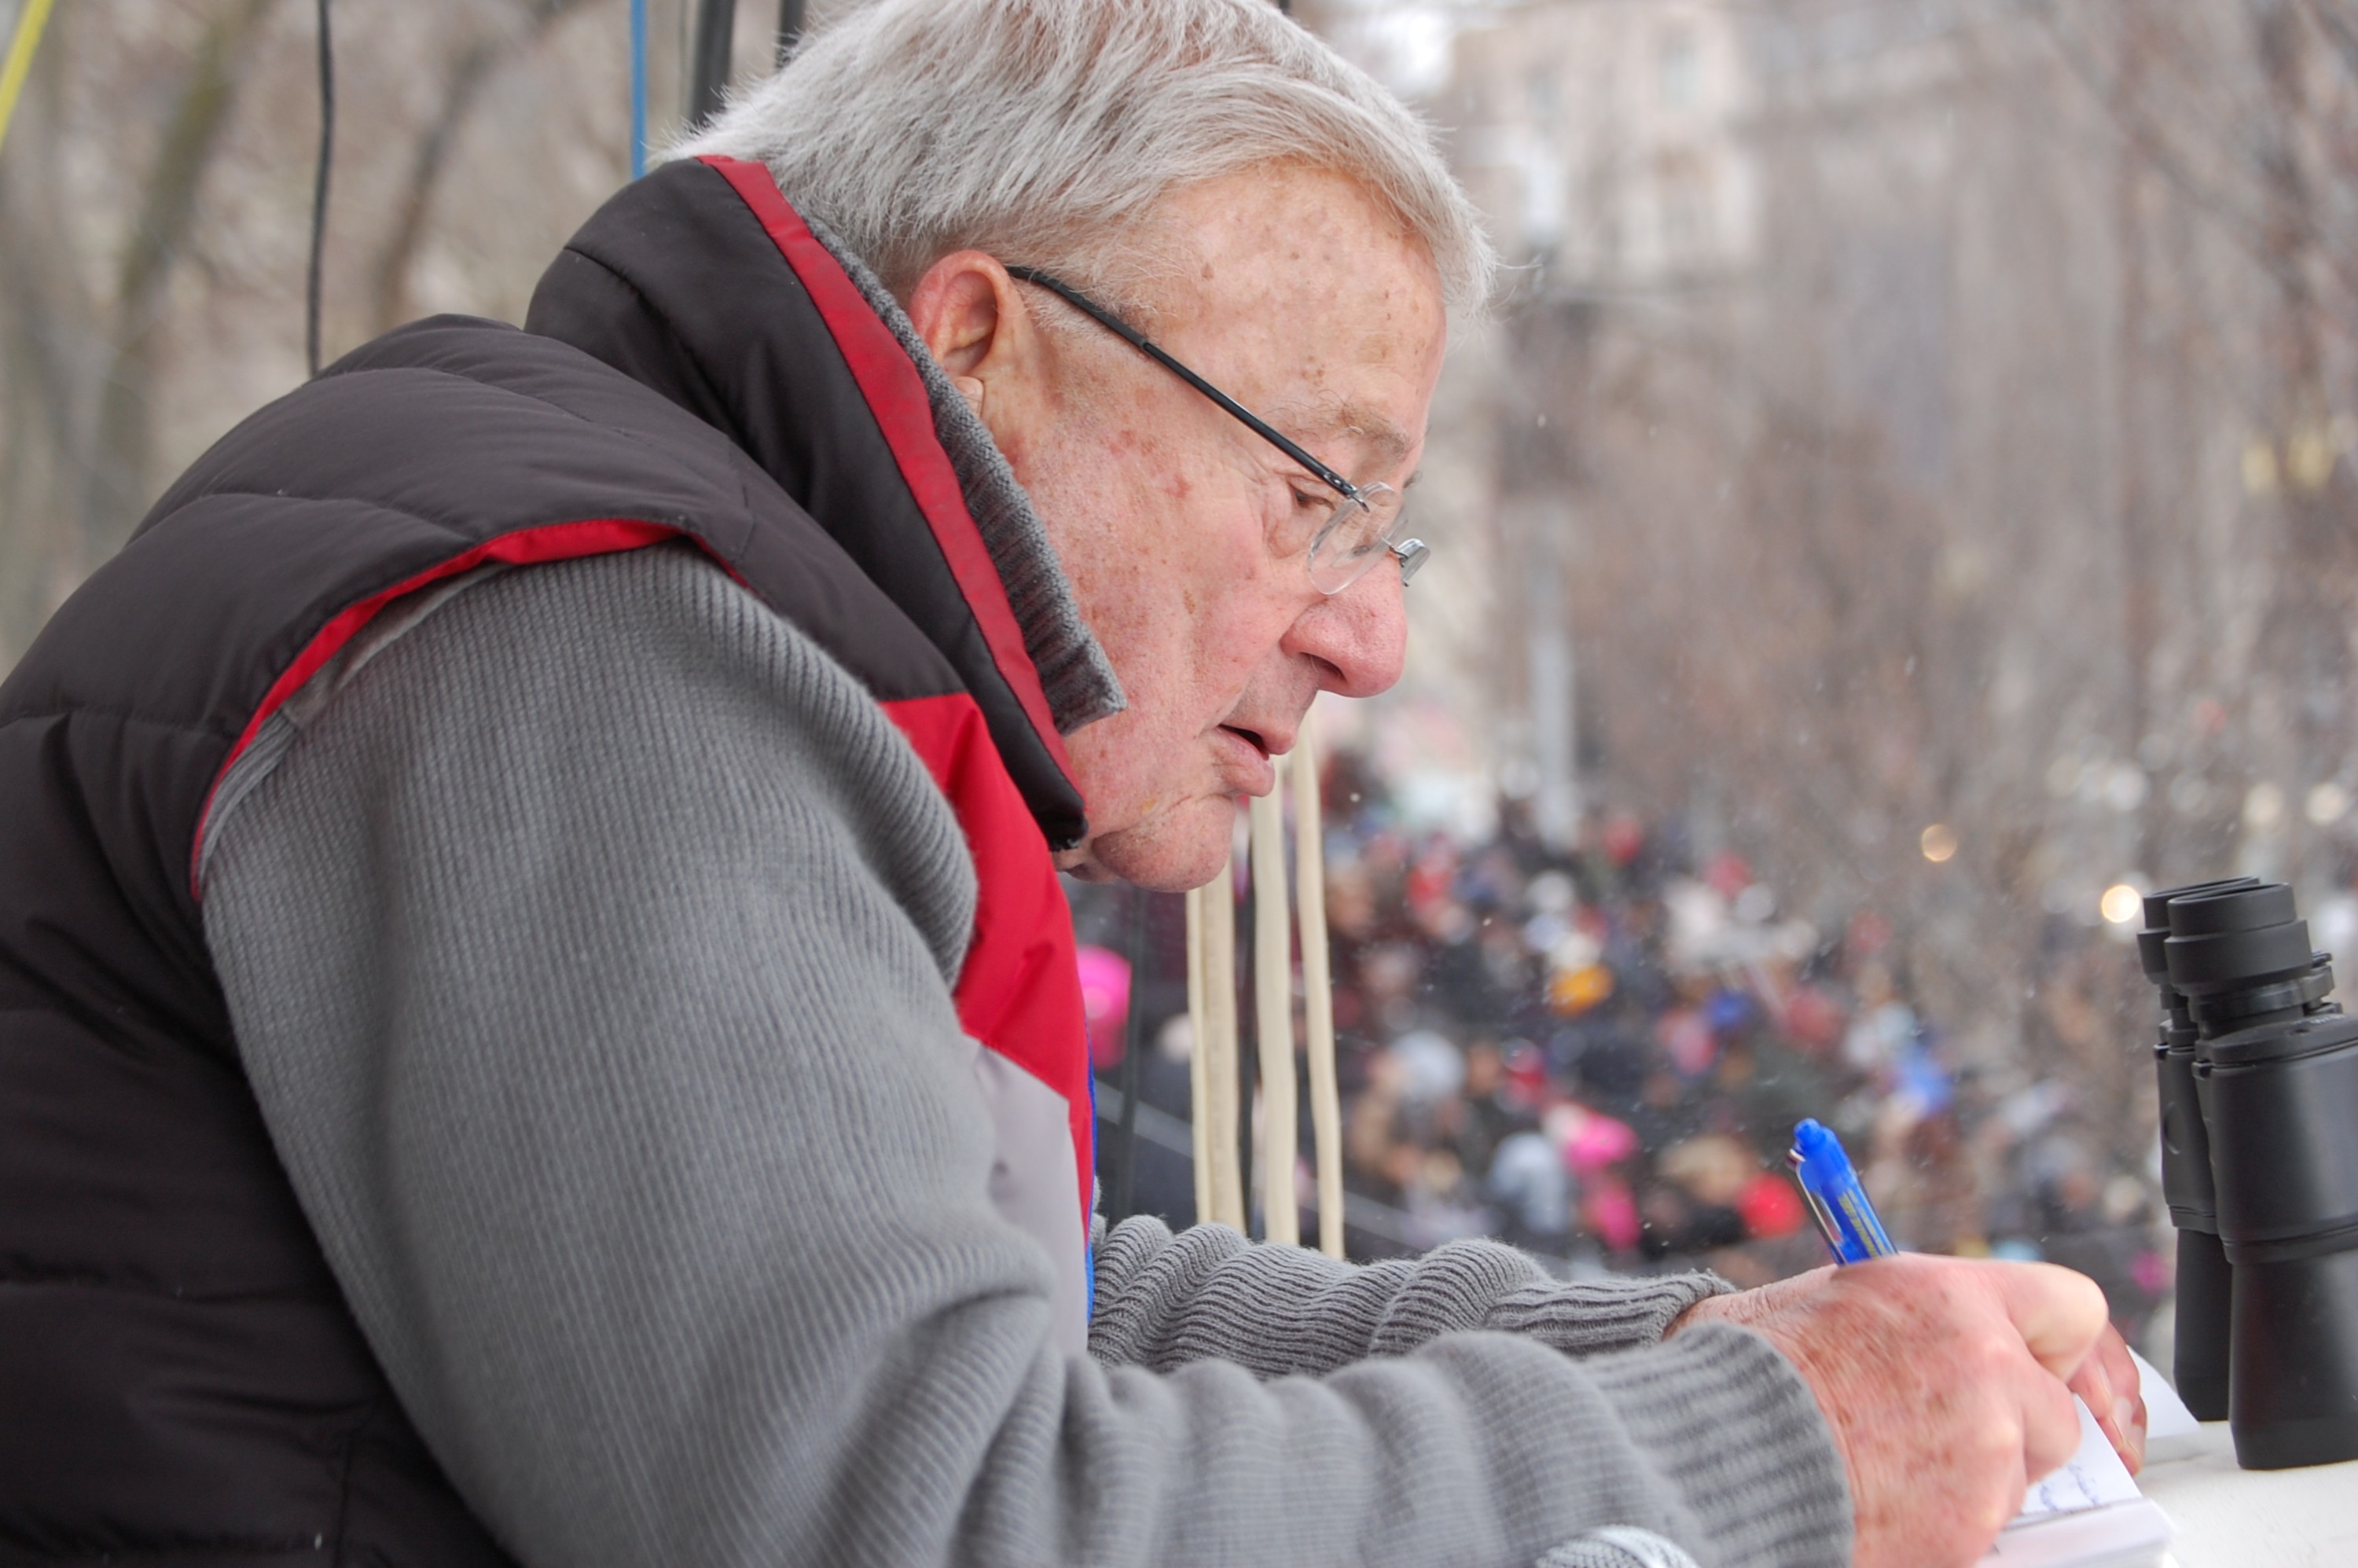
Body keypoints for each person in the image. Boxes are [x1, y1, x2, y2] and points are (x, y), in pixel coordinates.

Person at [0, 2, 2143, 1565]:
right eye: (1313, 491)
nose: (1368, 636)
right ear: (973, 347)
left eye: (1388, 535)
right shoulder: (589, 642)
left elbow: (1032, 1307)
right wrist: (1767, 1447)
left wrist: (1679, 1341)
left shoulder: (658, 604)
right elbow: (930, 1514)